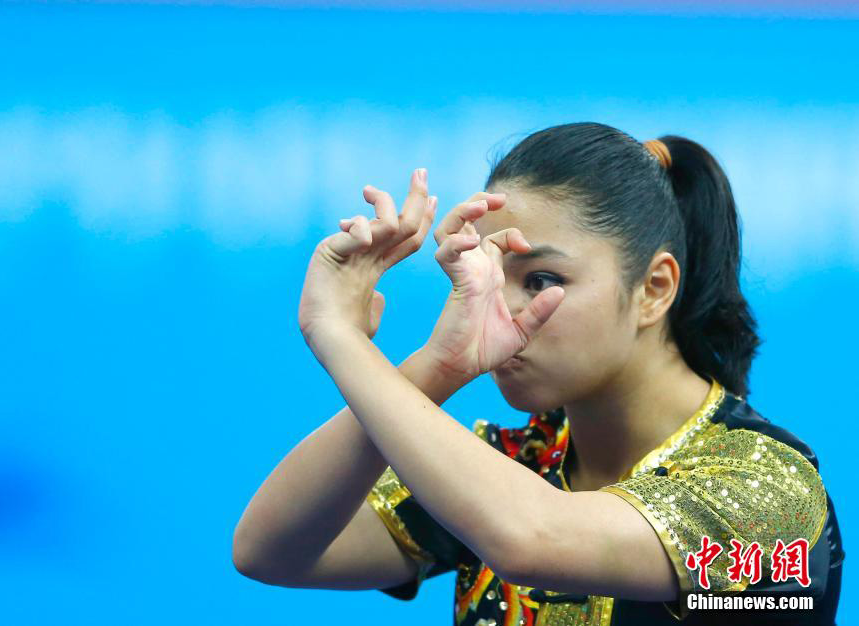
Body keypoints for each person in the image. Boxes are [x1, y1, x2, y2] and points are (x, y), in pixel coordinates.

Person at [232, 122, 844, 625]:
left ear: (654, 290)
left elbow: (530, 539)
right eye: (491, 275)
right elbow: (271, 551)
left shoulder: (769, 490)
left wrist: (342, 341)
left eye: (543, 280)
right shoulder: (510, 464)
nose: (501, 309)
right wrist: (438, 366)